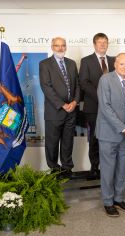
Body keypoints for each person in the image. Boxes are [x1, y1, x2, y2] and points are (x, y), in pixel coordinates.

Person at [96, 53, 125, 217]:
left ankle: (118, 198)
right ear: (115, 64)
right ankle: (108, 201)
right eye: (122, 64)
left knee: (121, 169)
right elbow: (105, 108)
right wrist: (124, 128)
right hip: (108, 133)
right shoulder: (105, 80)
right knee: (108, 169)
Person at [39, 37, 80, 178]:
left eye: (63, 45)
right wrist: (63, 105)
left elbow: (77, 85)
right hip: (54, 111)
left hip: (71, 111)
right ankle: (54, 170)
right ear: (52, 47)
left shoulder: (72, 63)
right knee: (52, 143)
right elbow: (46, 87)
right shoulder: (45, 64)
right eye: (57, 46)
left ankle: (67, 169)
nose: (60, 48)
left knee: (68, 142)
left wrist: (74, 102)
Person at [79, 33, 115, 177]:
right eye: (100, 42)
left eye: (105, 42)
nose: (102, 45)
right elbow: (84, 82)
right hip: (94, 107)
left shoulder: (114, 61)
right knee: (95, 137)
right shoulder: (86, 61)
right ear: (94, 44)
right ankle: (94, 167)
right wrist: (101, 96)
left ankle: (108, 167)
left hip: (112, 109)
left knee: (110, 138)